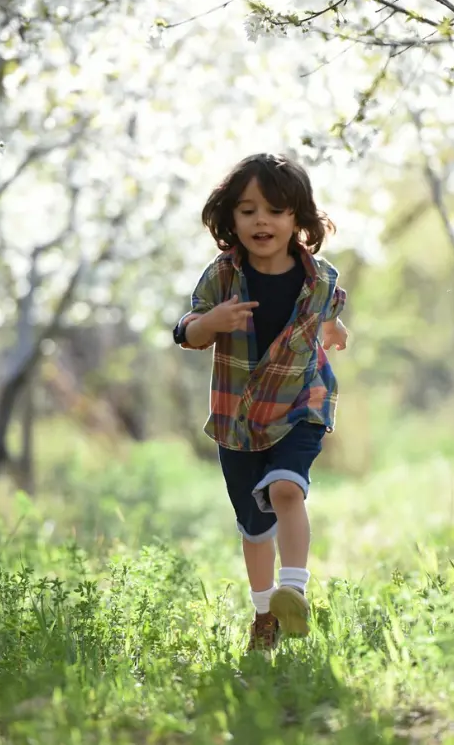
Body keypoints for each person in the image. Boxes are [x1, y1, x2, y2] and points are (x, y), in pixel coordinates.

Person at [172, 152, 348, 652]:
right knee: (254, 525)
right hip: (240, 418)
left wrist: (334, 330)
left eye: (274, 210)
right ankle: (265, 612)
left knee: (287, 490)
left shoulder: (321, 278)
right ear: (230, 219)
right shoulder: (223, 278)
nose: (261, 221)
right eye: (247, 211)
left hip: (301, 402)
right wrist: (210, 324)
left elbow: (328, 311)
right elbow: (186, 328)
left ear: (298, 219)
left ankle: (293, 590)